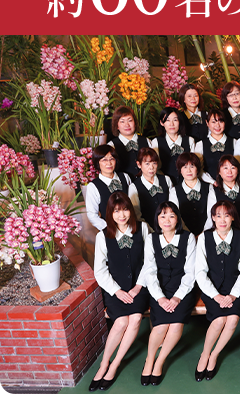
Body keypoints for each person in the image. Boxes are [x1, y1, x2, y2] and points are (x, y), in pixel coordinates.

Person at [90, 192, 151, 392]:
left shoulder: (142, 228)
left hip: (139, 286)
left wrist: (138, 286)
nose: (122, 215)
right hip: (114, 289)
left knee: (135, 319)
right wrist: (116, 291)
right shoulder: (102, 236)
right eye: (116, 211)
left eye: (125, 210)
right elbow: (100, 271)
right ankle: (104, 364)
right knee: (121, 322)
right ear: (110, 213)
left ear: (130, 210)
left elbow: (149, 261)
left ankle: (114, 365)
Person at [194, 201, 240, 382]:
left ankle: (214, 355)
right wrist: (216, 295)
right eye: (218, 216)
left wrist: (233, 294)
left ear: (233, 217)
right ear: (212, 218)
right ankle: (205, 354)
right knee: (219, 320)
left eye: (227, 215)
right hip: (212, 288)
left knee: (232, 319)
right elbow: (200, 272)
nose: (222, 220)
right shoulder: (204, 237)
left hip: (235, 288)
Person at [141, 201, 197, 386]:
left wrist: (177, 297)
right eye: (162, 216)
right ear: (157, 219)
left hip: (183, 289)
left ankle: (159, 361)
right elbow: (149, 271)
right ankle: (149, 360)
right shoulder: (151, 239)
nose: (167, 220)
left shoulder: (188, 238)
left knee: (175, 326)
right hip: (160, 289)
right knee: (160, 327)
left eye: (172, 216)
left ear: (177, 219)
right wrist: (160, 298)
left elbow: (190, 272)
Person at [86, 144, 140, 231]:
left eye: (111, 159)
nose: (109, 163)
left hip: (131, 226)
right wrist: (109, 228)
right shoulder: (93, 186)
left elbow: (134, 203)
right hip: (110, 230)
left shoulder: (125, 177)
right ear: (97, 162)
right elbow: (92, 215)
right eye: (104, 160)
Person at [129, 148, 178, 232]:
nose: (151, 167)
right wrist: (151, 232)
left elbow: (174, 206)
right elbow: (137, 215)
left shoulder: (166, 180)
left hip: (169, 228)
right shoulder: (134, 187)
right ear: (139, 164)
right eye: (147, 164)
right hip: (148, 231)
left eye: (154, 163)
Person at [212, 155, 240, 235]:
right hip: (222, 234)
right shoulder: (213, 190)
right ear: (219, 172)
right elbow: (212, 216)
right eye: (225, 168)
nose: (229, 172)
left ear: (238, 170)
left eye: (233, 168)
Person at [151, 107, 196, 183]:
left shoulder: (190, 141)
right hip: (164, 184)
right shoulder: (156, 142)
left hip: (187, 183)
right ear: (162, 123)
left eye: (175, 120)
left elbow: (195, 166)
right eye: (167, 120)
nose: (171, 124)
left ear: (179, 122)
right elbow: (155, 168)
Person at [173, 153, 215, 234]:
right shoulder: (174, 191)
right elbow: (175, 215)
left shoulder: (209, 187)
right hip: (183, 234)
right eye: (185, 167)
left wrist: (203, 234)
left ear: (197, 169)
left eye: (192, 166)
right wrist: (188, 235)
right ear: (180, 170)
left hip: (207, 233)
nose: (188, 170)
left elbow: (212, 213)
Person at [108, 106, 150, 179]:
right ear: (117, 126)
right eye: (122, 121)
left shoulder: (147, 141)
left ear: (135, 123)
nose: (127, 125)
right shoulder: (111, 145)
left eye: (130, 120)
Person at [195, 109, 236, 182]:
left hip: (231, 184)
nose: (217, 125)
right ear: (207, 123)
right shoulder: (200, 145)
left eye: (221, 121)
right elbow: (198, 170)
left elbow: (238, 167)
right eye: (213, 122)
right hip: (209, 185)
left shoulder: (234, 142)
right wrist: (213, 182)